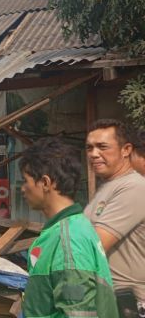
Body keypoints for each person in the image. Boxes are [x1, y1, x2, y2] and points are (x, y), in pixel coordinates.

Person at [20, 137, 117, 317]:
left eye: (26, 181)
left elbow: (80, 313)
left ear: (46, 183)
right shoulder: (64, 230)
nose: (23, 188)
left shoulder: (69, 238)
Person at [84, 119, 145, 317]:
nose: (94, 154)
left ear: (126, 149)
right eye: (89, 147)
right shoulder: (108, 187)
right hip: (109, 302)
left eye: (102, 147)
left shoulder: (135, 187)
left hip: (129, 306)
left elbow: (94, 245)